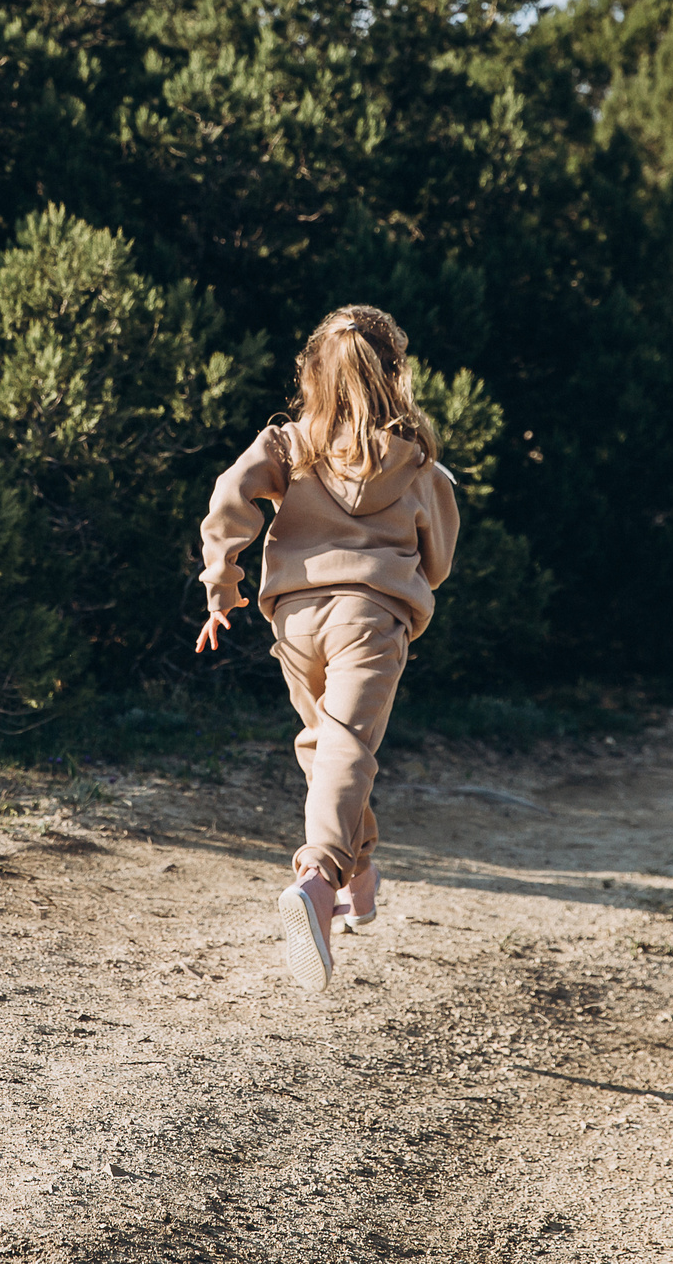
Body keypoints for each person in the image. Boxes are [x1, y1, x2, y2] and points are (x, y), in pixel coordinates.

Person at [195, 305, 460, 991]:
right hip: (370, 617)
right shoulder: (419, 463)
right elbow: (440, 557)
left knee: (328, 745)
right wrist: (403, 588)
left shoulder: (289, 443)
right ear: (394, 375)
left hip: (295, 617)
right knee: (345, 745)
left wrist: (222, 580)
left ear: (312, 372)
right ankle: (318, 877)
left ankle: (358, 874)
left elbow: (231, 493)